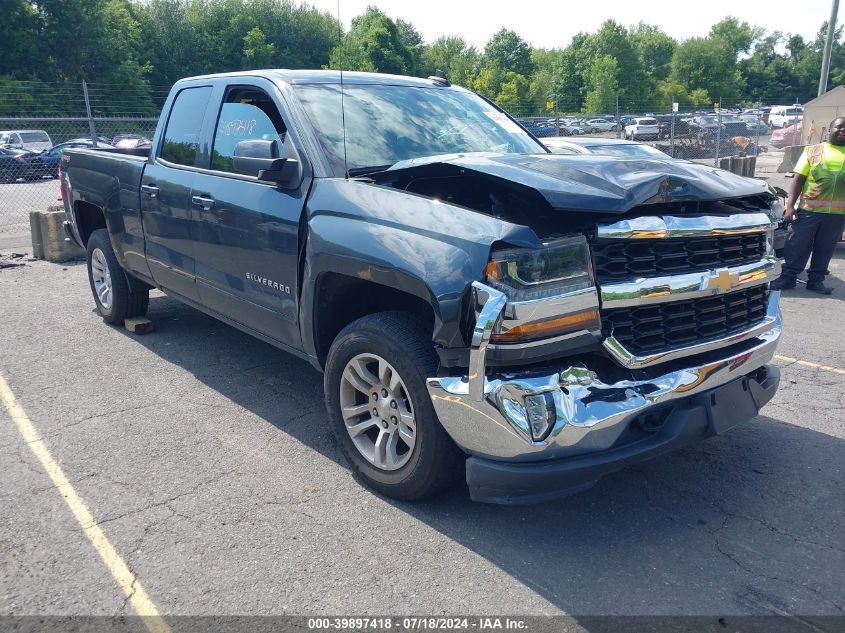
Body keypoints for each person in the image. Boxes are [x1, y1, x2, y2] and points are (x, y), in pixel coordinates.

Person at [770, 117, 845, 294]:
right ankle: (788, 278)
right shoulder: (814, 151)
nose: (843, 130)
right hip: (809, 211)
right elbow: (799, 180)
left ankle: (816, 281)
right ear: (829, 130)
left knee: (825, 249)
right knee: (797, 245)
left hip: (837, 215)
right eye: (839, 127)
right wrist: (790, 207)